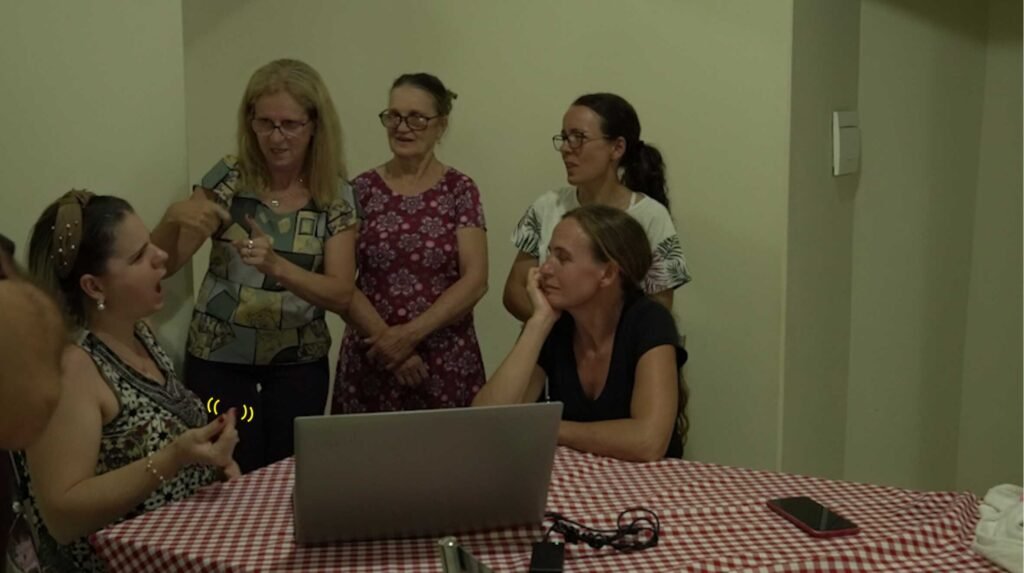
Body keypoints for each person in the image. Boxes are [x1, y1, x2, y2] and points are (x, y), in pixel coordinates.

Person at [10, 190, 239, 572]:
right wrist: (173, 458)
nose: (161, 256)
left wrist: (213, 467)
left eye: (151, 243)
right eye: (138, 256)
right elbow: (62, 516)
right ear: (94, 287)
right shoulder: (72, 367)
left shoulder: (140, 335)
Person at [151, 59, 359, 473]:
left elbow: (341, 294)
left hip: (298, 367)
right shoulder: (229, 176)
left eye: (290, 125)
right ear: (250, 121)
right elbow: (166, 263)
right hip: (219, 364)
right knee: (227, 470)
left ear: (315, 125)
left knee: (289, 473)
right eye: (265, 123)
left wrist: (277, 266)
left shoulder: (334, 194)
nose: (276, 137)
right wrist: (171, 219)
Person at [474, 205, 687, 462]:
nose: (545, 269)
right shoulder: (555, 324)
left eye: (563, 258)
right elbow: (484, 423)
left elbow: (647, 441)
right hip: (575, 480)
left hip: (647, 484)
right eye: (549, 254)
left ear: (607, 273)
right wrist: (539, 322)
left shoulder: (649, 321)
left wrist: (548, 427)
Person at [332, 73, 487, 413]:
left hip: (443, 360)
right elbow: (339, 283)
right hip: (372, 357)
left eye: (417, 118)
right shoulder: (359, 190)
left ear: (441, 125)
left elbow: (475, 281)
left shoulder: (460, 190)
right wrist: (391, 346)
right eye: (394, 116)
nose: (402, 127)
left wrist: (408, 337)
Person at [503, 93, 691, 322]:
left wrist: (601, 337)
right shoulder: (547, 205)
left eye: (578, 138)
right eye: (564, 137)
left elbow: (659, 308)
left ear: (617, 148)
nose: (565, 148)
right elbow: (515, 290)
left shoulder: (651, 216)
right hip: (548, 341)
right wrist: (558, 331)